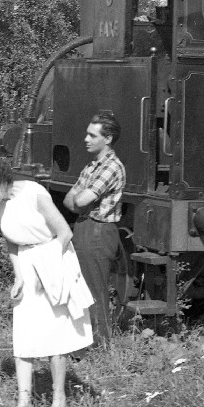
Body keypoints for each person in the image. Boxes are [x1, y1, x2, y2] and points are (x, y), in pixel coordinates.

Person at [0, 156, 93, 407]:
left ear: (0, 180)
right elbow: (12, 241)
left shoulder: (35, 194)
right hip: (27, 262)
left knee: (56, 334)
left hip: (53, 257)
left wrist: (50, 269)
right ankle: (25, 403)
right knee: (23, 334)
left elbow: (64, 234)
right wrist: (19, 276)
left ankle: (58, 401)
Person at [64, 112, 127, 343]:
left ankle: (101, 343)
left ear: (107, 139)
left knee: (95, 289)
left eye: (92, 135)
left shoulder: (112, 167)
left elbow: (78, 201)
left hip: (99, 232)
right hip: (85, 227)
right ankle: (84, 339)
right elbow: (69, 200)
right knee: (80, 286)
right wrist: (82, 200)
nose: (86, 139)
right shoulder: (92, 166)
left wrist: (82, 200)